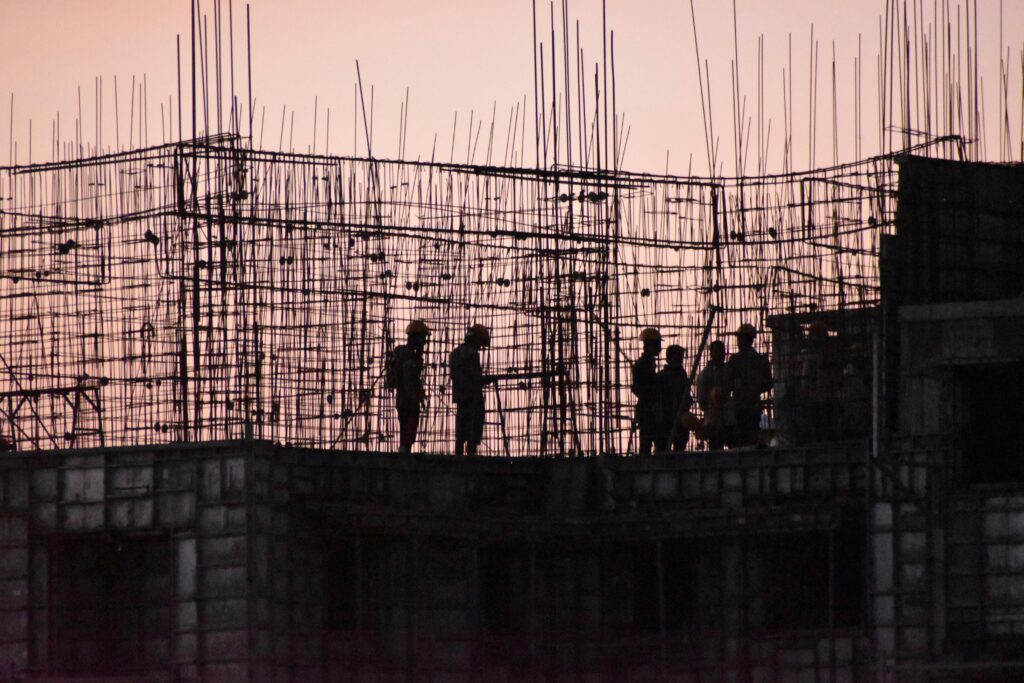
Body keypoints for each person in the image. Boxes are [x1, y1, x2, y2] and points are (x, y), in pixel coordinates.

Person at [727, 323, 773, 447]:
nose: (738, 342)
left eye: (739, 339)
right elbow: (768, 383)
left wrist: (751, 387)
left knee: (744, 438)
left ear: (744, 340)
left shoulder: (736, 360)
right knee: (749, 437)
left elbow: (728, 383)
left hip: (744, 406)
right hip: (750, 405)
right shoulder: (759, 359)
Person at [387, 320, 429, 453]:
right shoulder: (408, 355)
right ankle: (404, 455)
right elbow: (408, 378)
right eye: (423, 338)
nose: (424, 341)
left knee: (406, 428)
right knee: (408, 428)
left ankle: (404, 452)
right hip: (408, 399)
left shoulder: (402, 353)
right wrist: (415, 397)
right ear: (416, 337)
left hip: (402, 398)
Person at [449, 324, 490, 456]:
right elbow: (475, 376)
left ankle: (459, 456)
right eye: (479, 343)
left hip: (460, 396)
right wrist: (486, 380)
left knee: (461, 430)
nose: (480, 347)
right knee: (473, 428)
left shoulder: (455, 353)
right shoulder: (472, 354)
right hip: (473, 397)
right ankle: (471, 456)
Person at [800, 321, 840, 442]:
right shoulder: (831, 355)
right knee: (826, 429)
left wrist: (803, 396)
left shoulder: (811, 356)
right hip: (828, 399)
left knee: (817, 430)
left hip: (816, 400)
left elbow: (805, 379)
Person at [696, 340, 735, 450]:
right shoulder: (706, 374)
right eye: (718, 351)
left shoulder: (728, 370)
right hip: (713, 419)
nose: (721, 354)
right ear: (711, 353)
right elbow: (702, 399)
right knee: (716, 448)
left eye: (722, 351)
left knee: (733, 447)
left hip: (728, 418)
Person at [656, 344, 693, 452]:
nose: (681, 360)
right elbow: (659, 398)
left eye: (681, 357)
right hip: (666, 417)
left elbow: (686, 394)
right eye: (678, 357)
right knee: (663, 446)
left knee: (680, 445)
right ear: (670, 358)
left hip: (680, 416)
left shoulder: (682, 374)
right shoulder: (662, 377)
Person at [631, 328, 662, 455]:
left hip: (650, 407)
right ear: (649, 346)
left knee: (654, 439)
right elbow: (638, 388)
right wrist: (651, 398)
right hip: (647, 409)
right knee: (647, 439)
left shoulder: (648, 363)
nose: (659, 348)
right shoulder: (642, 365)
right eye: (657, 345)